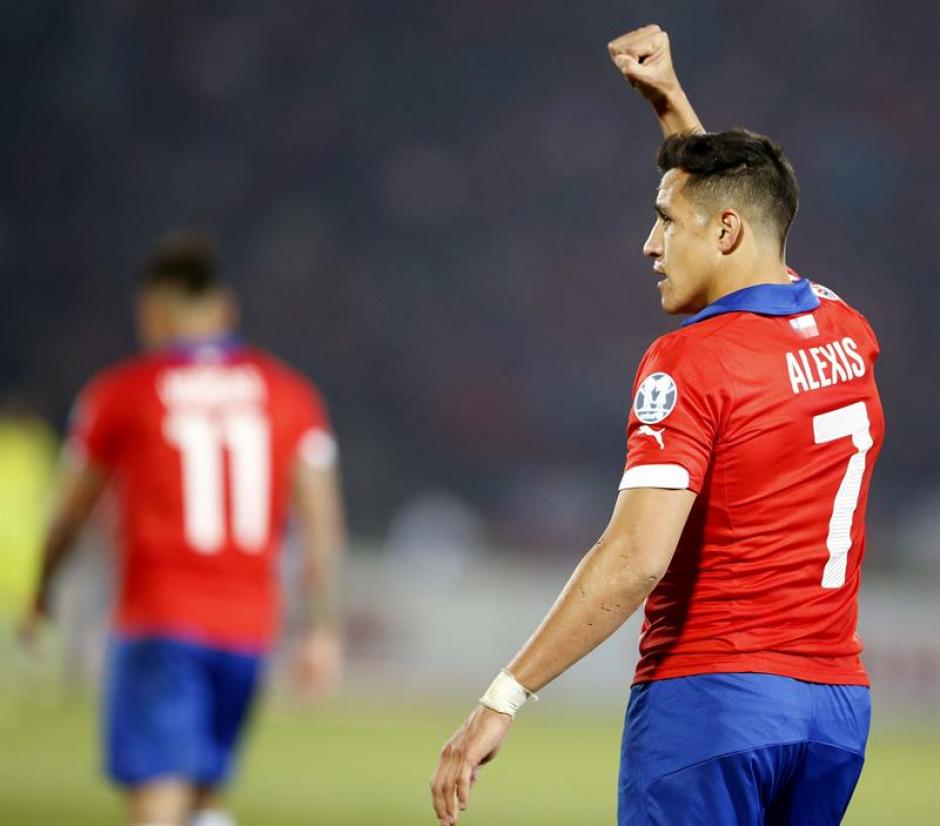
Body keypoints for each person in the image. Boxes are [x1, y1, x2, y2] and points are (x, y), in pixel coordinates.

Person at [431, 24, 884, 826]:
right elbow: (742, 215)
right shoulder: (848, 329)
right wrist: (673, 103)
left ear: (723, 232)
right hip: (834, 718)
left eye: (664, 223)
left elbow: (637, 556)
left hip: (714, 705)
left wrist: (505, 694)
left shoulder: (692, 360)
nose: (649, 244)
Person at [19, 232, 346, 826]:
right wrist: (322, 627)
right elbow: (321, 521)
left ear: (152, 312)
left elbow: (70, 512)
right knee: (204, 797)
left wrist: (42, 587)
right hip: (248, 629)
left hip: (161, 620)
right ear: (226, 311)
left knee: (158, 804)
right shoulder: (290, 395)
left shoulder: (122, 393)